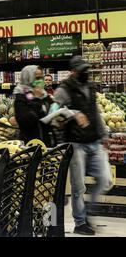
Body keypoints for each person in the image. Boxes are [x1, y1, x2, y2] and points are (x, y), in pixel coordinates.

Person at [53, 55, 108, 236]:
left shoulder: (91, 86)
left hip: (94, 141)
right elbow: (54, 114)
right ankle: (80, 222)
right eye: (83, 70)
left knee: (104, 180)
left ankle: (88, 211)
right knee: (78, 187)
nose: (87, 72)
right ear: (74, 71)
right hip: (76, 144)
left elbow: (95, 112)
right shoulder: (63, 90)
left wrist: (103, 134)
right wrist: (73, 113)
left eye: (87, 69)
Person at [13, 65, 53, 146]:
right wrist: (37, 99)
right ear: (28, 79)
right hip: (31, 145)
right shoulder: (21, 97)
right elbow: (27, 121)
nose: (40, 81)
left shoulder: (44, 95)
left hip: (46, 143)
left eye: (42, 78)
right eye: (37, 78)